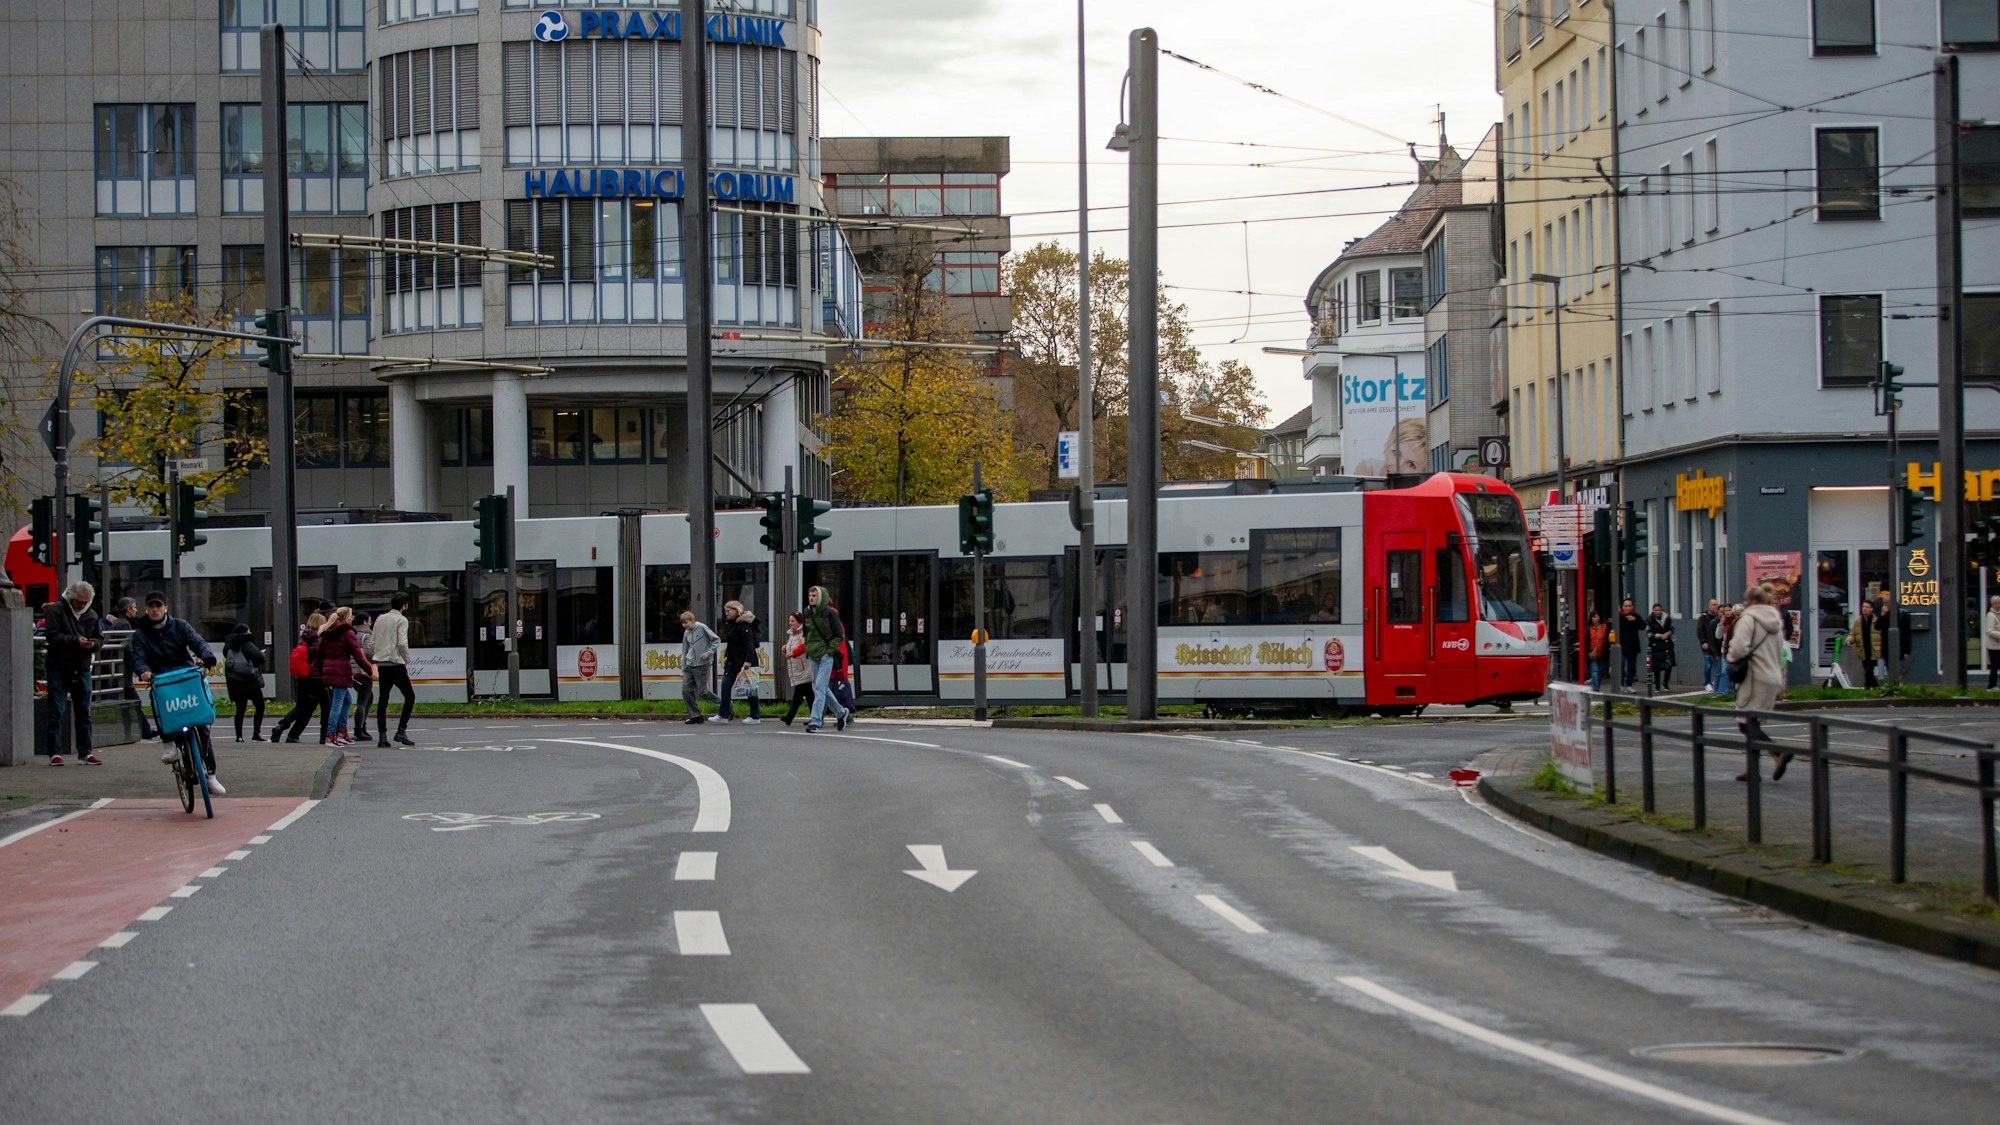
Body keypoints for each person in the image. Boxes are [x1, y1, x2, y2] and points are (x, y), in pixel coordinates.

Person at [127, 591, 225, 795]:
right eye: (151, 606)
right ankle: (169, 743)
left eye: (158, 606)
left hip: (185, 674)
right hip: (161, 678)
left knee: (202, 725)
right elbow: (138, 656)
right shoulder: (141, 634)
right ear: (146, 609)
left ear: (166, 608)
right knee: (160, 705)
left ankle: (211, 775)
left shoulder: (180, 626)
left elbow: (196, 641)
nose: (155, 610)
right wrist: (143, 671)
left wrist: (207, 656)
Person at [1727, 585, 1790, 782]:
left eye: (1746, 601)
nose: (1744, 604)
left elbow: (1738, 648)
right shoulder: (1775, 620)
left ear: (1751, 601)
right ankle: (1752, 768)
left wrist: (1731, 659)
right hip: (1772, 676)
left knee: (1745, 724)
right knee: (1752, 722)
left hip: (1754, 677)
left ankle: (1778, 752)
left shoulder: (1749, 618)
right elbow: (1780, 648)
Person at [42, 581, 103, 766]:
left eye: (85, 602)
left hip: (81, 667)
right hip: (59, 666)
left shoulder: (91, 614)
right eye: (79, 602)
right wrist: (76, 641)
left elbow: (99, 638)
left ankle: (85, 752)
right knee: (56, 711)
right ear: (71, 598)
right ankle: (55, 752)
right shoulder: (56, 610)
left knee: (84, 711)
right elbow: (52, 636)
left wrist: (92, 644)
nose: (82, 605)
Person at [315, 607, 374, 747]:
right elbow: (358, 655)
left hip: (330, 670)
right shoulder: (347, 633)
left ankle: (341, 732)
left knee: (347, 700)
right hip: (341, 671)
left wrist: (321, 668)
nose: (352, 618)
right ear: (346, 618)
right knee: (337, 703)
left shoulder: (328, 632)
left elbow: (319, 652)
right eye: (350, 616)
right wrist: (370, 670)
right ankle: (331, 735)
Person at [797, 585, 850, 733]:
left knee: (819, 688)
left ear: (821, 597)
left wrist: (829, 651)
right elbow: (806, 633)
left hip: (826, 655)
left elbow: (840, 635)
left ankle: (815, 721)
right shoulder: (807, 612)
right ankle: (840, 712)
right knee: (820, 688)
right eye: (810, 595)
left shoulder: (830, 613)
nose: (811, 598)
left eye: (814, 595)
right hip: (813, 655)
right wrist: (807, 648)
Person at [103, 595, 155, 740]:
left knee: (128, 703)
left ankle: (133, 732)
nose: (136, 610)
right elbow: (129, 648)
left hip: (119, 670)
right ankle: (144, 731)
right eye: (134, 607)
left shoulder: (120, 622)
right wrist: (140, 664)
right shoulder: (125, 624)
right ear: (128, 609)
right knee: (134, 702)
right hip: (122, 670)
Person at [274, 612, 329, 744]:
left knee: (303, 707)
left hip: (303, 678)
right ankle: (323, 735)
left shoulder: (303, 639)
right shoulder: (320, 640)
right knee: (326, 707)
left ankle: (282, 727)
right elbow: (322, 660)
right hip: (317, 679)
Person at [371, 592, 417, 747]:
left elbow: (373, 641)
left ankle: (382, 736)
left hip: (382, 664)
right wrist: (406, 659)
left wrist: (377, 656)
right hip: (396, 663)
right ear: (404, 606)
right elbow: (402, 642)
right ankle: (401, 730)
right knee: (409, 696)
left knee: (383, 700)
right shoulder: (401, 620)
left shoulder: (380, 618)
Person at [717, 600, 764, 724]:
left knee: (750, 689)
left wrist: (748, 661)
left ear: (736, 610)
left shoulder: (744, 625)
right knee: (725, 687)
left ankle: (755, 716)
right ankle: (723, 714)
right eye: (726, 611)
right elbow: (732, 644)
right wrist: (727, 655)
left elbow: (750, 644)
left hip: (744, 662)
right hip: (733, 661)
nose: (726, 613)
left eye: (729, 610)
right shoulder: (733, 625)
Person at [222, 622, 268, 741]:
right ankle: (256, 733)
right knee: (260, 706)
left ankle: (239, 736)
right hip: (250, 681)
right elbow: (259, 657)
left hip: (236, 681)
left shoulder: (229, 645)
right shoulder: (247, 643)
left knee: (240, 709)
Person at [678, 610, 722, 724]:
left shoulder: (702, 627)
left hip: (702, 665)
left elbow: (716, 640)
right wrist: (683, 668)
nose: (684, 625)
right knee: (686, 691)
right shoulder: (686, 633)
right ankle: (695, 715)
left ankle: (725, 705)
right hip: (689, 664)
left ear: (692, 620)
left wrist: (708, 653)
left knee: (702, 692)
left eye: (686, 622)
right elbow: (685, 650)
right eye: (682, 623)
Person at [778, 612, 815, 726]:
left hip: (803, 667)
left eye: (793, 621)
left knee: (798, 694)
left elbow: (803, 647)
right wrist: (786, 649)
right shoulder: (791, 634)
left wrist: (793, 652)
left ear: (799, 622)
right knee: (808, 695)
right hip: (796, 667)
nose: (790, 623)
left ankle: (790, 717)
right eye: (790, 621)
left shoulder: (803, 633)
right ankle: (816, 716)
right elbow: (792, 648)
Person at [350, 611, 375, 743]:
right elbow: (369, 653)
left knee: (368, 697)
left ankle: (361, 728)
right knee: (363, 700)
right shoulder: (367, 635)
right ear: (365, 622)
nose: (371, 624)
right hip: (363, 671)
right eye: (370, 621)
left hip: (352, 672)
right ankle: (359, 730)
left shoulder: (352, 634)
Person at [1848, 601, 1880, 690]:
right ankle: (1876, 688)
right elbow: (1853, 633)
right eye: (1863, 607)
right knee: (1867, 671)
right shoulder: (1858, 622)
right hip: (1862, 650)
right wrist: (1849, 640)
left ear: (1871, 609)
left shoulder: (1876, 621)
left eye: (1866, 607)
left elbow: (1882, 634)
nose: (1864, 609)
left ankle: (1867, 687)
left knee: (1868, 671)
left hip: (1873, 650)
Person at [1645, 603, 1675, 692]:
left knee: (1669, 664)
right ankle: (1657, 685)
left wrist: (1668, 633)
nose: (1657, 612)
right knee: (1656, 667)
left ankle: (1665, 683)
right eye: (1656, 610)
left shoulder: (1667, 618)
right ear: (1653, 611)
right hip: (1656, 646)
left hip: (1667, 644)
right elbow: (1648, 633)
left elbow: (1671, 628)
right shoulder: (1649, 620)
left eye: (1659, 610)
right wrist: (1659, 635)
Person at [1615, 598, 1643, 690]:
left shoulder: (1635, 616)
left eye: (1629, 606)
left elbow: (1643, 626)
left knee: (1632, 667)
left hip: (1632, 646)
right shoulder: (1618, 617)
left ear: (1632, 607)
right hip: (1621, 646)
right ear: (1622, 607)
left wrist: (1635, 620)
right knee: (1621, 665)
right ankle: (1621, 684)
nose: (1627, 608)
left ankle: (1629, 684)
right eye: (1626, 606)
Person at [1696, 598, 1722, 692]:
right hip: (1707, 645)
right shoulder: (1703, 618)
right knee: (1708, 664)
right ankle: (1707, 683)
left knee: (1717, 664)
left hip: (1715, 645)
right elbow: (1700, 630)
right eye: (1714, 605)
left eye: (1717, 605)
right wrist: (1703, 642)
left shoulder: (1719, 617)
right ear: (1709, 606)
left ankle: (1715, 681)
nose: (1716, 607)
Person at [1584, 610, 1608, 692]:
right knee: (1594, 671)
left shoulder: (1604, 627)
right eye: (1594, 617)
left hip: (1602, 652)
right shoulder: (1588, 628)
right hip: (1592, 652)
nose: (1595, 619)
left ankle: (1596, 685)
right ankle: (1596, 688)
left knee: (1600, 672)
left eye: (1597, 616)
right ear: (1591, 618)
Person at [1985, 596, 2000, 691]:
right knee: (1995, 666)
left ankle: (1993, 685)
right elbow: (1989, 631)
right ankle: (1991, 686)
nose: (1998, 605)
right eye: (1995, 603)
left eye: (1999, 603)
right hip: (1993, 646)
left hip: (1998, 646)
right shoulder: (1990, 615)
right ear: (1992, 604)